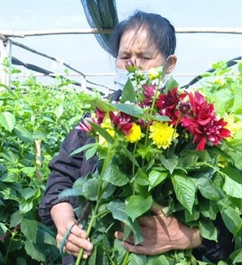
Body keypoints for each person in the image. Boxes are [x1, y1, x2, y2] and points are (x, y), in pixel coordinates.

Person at [39, 10, 234, 265]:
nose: (133, 65)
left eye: (144, 57)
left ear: (169, 64)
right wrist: (65, 221)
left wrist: (186, 236)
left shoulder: (186, 124)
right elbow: (61, 175)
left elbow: (224, 225)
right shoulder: (97, 119)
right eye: (125, 57)